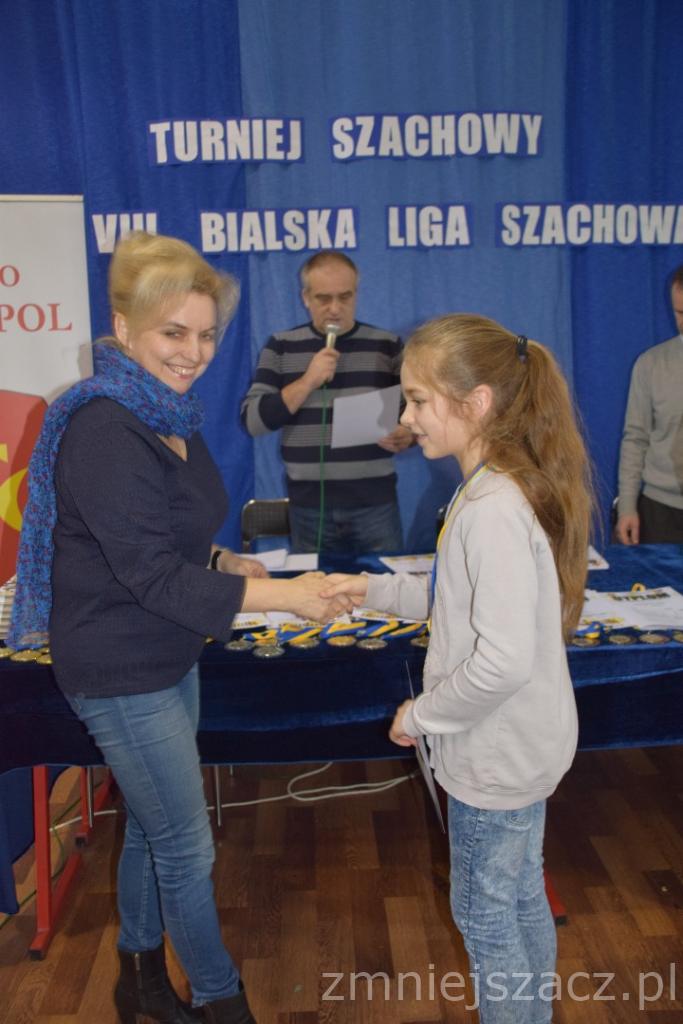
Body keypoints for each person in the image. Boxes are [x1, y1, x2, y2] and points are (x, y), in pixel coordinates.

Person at [8, 232, 350, 1024]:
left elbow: (171, 537)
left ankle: (139, 983)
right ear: (123, 328)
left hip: (167, 650)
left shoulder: (168, 412)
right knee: (187, 845)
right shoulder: (103, 426)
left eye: (205, 334)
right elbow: (151, 574)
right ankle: (223, 1002)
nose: (193, 353)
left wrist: (225, 560)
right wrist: (289, 598)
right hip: (118, 665)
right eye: (173, 333)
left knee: (153, 827)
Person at [321, 314, 593, 1024]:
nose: (404, 417)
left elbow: (500, 662)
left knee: (485, 915)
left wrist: (422, 715)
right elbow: (458, 599)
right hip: (518, 745)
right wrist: (371, 590)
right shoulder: (491, 491)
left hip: (493, 756)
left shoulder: (491, 509)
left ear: (475, 404)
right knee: (519, 897)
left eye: (416, 399)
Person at [240, 251, 413, 554]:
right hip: (309, 509)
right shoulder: (281, 345)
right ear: (305, 297)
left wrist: (408, 434)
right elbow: (253, 421)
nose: (335, 309)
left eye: (345, 297)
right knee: (313, 584)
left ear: (356, 294)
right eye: (323, 298)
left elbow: (416, 411)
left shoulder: (386, 345)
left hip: (375, 505)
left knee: (385, 584)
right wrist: (308, 380)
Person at [616, 265, 683, 544]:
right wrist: (627, 506)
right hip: (661, 512)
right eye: (680, 312)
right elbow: (636, 438)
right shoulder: (650, 364)